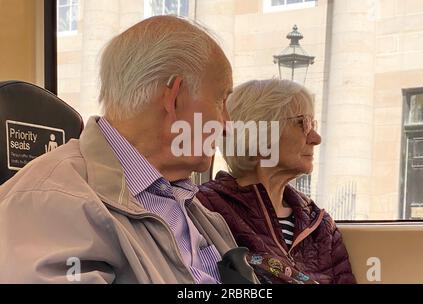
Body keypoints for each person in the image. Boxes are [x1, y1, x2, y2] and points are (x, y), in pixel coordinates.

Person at [0, 16, 257, 284]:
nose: (227, 124)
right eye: (221, 100)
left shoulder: (187, 201)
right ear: (175, 98)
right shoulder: (52, 204)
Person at [197, 79, 356, 284]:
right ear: (259, 134)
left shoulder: (320, 224)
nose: (316, 138)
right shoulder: (203, 208)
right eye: (303, 123)